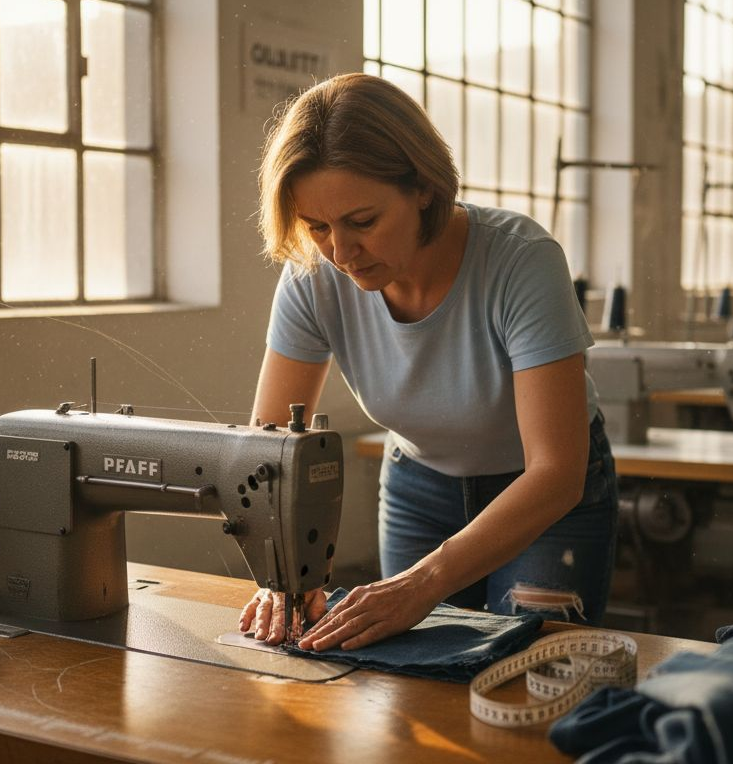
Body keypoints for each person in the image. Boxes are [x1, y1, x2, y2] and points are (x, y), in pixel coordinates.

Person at [237, 73, 618, 652]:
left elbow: (556, 472)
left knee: (528, 680)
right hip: (420, 488)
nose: (340, 253)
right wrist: (286, 574)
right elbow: (268, 450)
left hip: (546, 497)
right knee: (412, 689)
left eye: (362, 222)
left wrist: (423, 584)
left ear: (423, 187)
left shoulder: (521, 261)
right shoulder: (313, 280)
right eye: (318, 228)